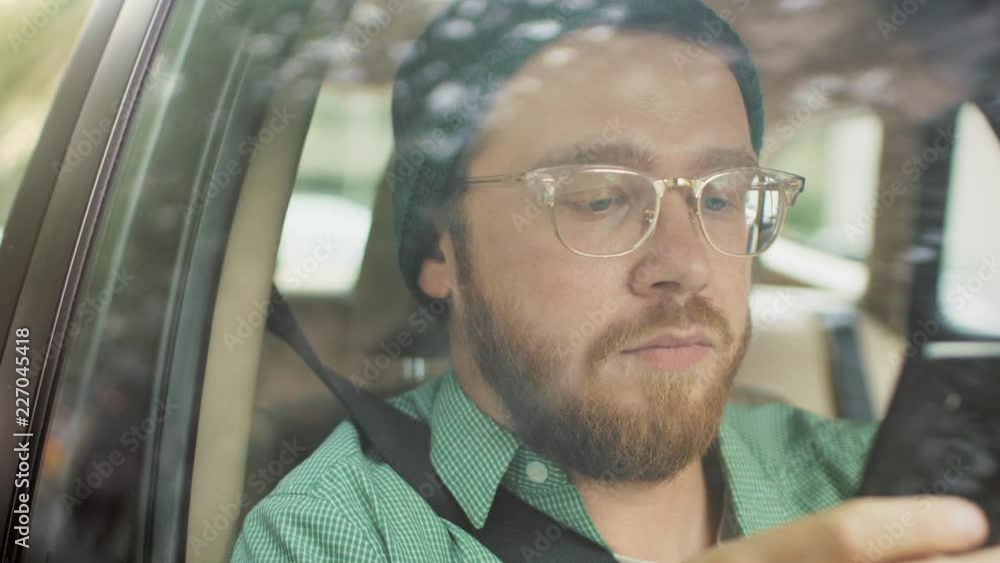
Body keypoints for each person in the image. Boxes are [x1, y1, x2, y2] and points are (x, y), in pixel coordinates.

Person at [231, 0, 997, 561]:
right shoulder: (334, 534)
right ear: (444, 249)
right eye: (599, 198)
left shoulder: (871, 478)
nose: (686, 264)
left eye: (723, 197)